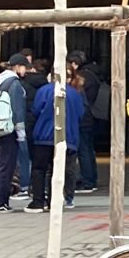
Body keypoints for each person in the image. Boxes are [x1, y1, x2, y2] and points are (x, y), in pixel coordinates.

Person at [27, 69, 86, 212]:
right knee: (58, 171)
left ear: (51, 76)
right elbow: (81, 114)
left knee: (39, 169)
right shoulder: (75, 94)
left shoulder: (44, 90)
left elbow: (35, 110)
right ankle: (54, 200)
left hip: (44, 136)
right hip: (67, 137)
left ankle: (38, 201)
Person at [0, 53, 31, 212]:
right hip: (9, 129)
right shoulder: (14, 84)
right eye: (24, 67)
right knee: (6, 166)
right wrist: (21, 133)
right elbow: (18, 110)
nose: (25, 71)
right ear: (17, 67)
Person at [68, 50, 102, 194]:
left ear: (74, 64)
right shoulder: (93, 75)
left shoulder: (80, 79)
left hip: (81, 118)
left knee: (83, 150)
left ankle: (87, 181)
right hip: (90, 116)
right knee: (88, 149)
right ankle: (91, 178)